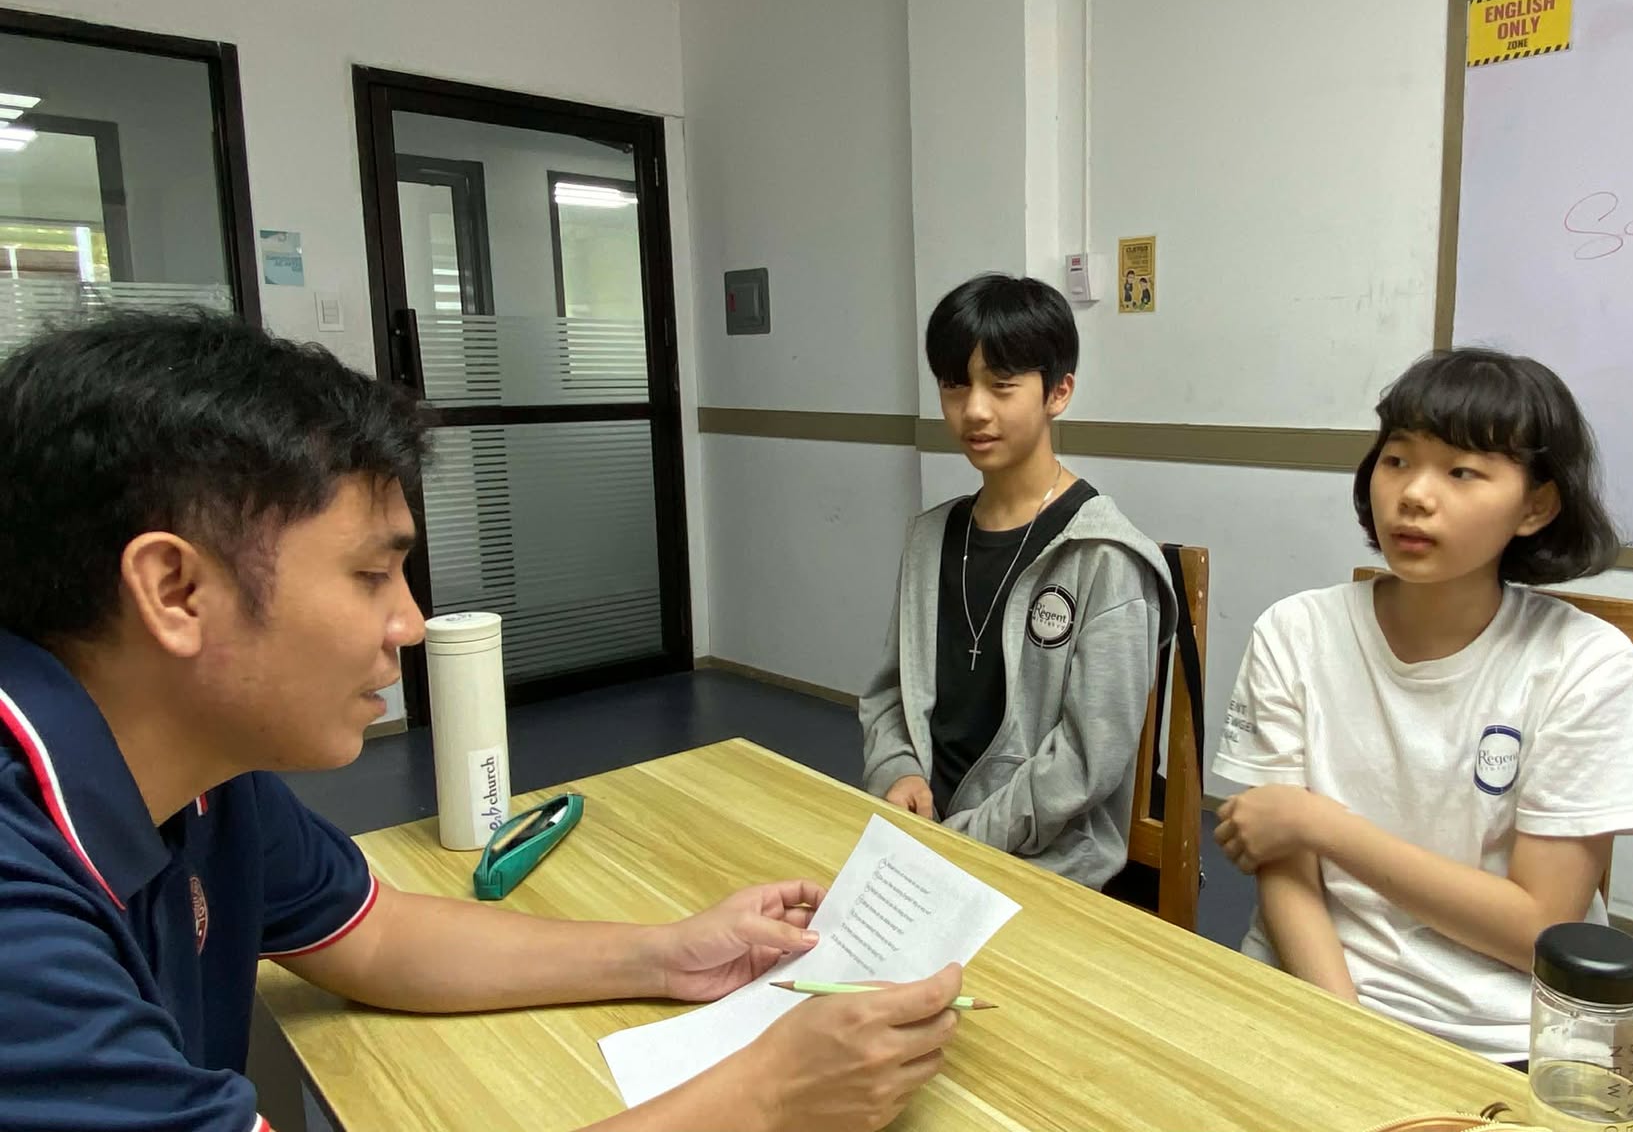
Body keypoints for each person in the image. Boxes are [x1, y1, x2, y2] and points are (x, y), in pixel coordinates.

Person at [0, 310, 960, 1132]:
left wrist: (668, 954)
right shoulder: (18, 924)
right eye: (371, 575)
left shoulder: (201, 775)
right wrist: (765, 1096)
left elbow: (372, 936)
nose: (410, 624)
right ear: (175, 590)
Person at [1210, 347, 1633, 1064]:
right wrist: (1349, 1036)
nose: (1415, 495)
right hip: (1309, 994)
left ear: (1536, 506)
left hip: (1496, 1034)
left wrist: (1320, 824)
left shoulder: (1584, 663)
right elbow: (1285, 870)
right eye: (1397, 460)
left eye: (1461, 472)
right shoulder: (1296, 630)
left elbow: (1539, 929)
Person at [860, 273, 1171, 891]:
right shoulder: (929, 539)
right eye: (955, 385)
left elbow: (1088, 757)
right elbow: (892, 691)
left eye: (1002, 386)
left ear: (1059, 392)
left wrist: (964, 842)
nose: (974, 410)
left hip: (1045, 865)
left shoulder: (1103, 557)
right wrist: (897, 772)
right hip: (921, 842)